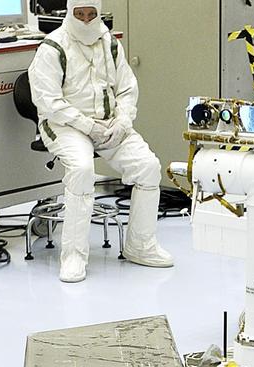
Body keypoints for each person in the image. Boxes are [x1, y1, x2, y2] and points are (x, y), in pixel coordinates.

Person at [28, 0, 172, 282]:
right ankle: (73, 256)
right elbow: (48, 101)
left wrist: (123, 121)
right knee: (82, 171)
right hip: (65, 126)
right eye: (79, 14)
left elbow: (127, 88)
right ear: (70, 12)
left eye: (91, 14)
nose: (85, 20)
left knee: (148, 167)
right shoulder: (53, 47)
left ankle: (140, 246)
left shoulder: (109, 43)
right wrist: (86, 125)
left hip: (108, 124)